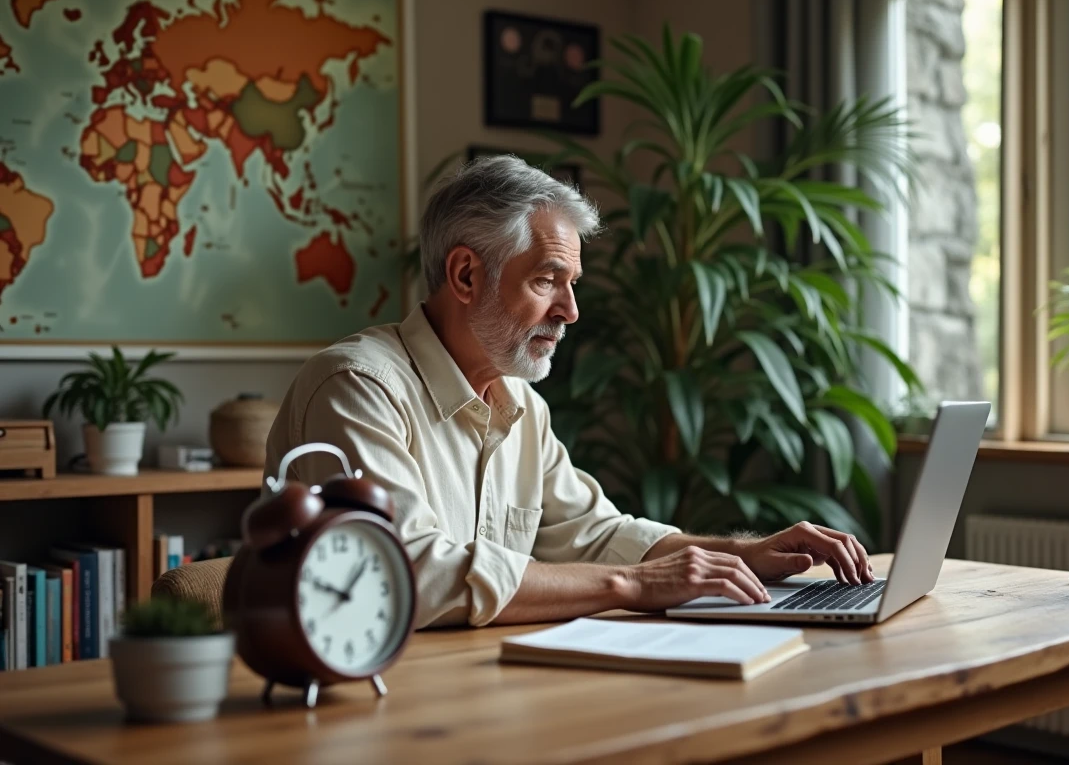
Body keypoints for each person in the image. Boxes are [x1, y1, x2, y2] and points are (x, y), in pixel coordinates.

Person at [263, 155, 873, 630]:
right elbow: (404, 572)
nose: (571, 310)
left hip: (482, 691)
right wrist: (629, 588)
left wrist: (744, 553)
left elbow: (598, 534)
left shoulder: (523, 407)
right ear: (467, 275)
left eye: (572, 283)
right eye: (546, 280)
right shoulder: (357, 387)